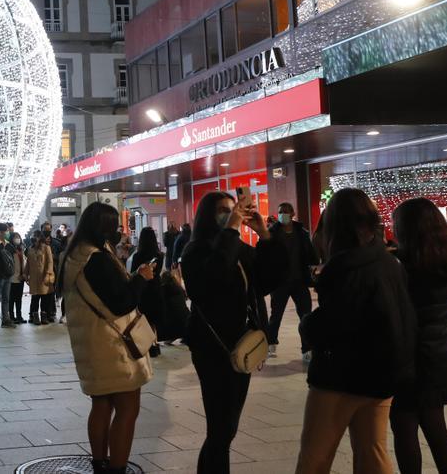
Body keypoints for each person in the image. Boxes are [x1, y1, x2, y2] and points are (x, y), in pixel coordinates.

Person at [295, 188, 416, 474]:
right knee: (373, 453)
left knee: (315, 457)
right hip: (382, 377)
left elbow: (334, 322)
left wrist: (306, 325)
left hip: (341, 379)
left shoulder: (346, 268)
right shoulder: (388, 262)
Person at [182, 192, 288, 473]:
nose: (230, 214)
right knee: (221, 427)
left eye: (232, 210)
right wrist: (230, 228)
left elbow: (269, 279)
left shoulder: (238, 248)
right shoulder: (195, 251)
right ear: (208, 215)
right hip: (211, 346)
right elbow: (213, 278)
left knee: (226, 429)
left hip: (241, 343)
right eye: (222, 211)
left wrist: (264, 234)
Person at [58, 203, 154, 474]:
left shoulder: (74, 255)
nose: (117, 231)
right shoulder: (97, 258)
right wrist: (141, 278)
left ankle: (99, 463)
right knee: (127, 409)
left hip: (91, 343)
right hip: (113, 346)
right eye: (112, 226)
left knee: (101, 403)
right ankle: (117, 468)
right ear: (103, 228)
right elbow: (121, 302)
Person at [389, 198, 447, 474]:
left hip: (409, 359)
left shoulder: (402, 267)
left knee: (404, 426)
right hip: (441, 357)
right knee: (436, 426)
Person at [264, 203, 319, 362]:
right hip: (280, 282)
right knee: (276, 315)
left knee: (305, 316)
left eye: (286, 212)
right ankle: (271, 343)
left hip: (299, 281)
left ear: (293, 213)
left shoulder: (301, 233)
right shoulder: (272, 233)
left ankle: (307, 349)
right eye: (281, 212)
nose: (283, 214)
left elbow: (310, 254)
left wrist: (314, 265)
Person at [126, 227, 164, 358]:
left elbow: (133, 273)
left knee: (144, 317)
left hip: (143, 289)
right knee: (153, 318)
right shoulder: (159, 255)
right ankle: (155, 344)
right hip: (156, 287)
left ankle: (147, 345)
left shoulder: (137, 255)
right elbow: (158, 272)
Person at [26, 232, 55, 325]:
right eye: (33, 236)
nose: (35, 238)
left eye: (36, 236)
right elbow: (28, 263)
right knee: (35, 297)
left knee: (45, 297)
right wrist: (25, 274)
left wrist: (48, 273)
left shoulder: (46, 248)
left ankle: (44, 316)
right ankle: (35, 316)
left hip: (44, 277)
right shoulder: (30, 249)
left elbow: (50, 262)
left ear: (40, 238)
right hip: (34, 278)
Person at [8, 232, 27, 324]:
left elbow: (24, 263)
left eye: (18, 237)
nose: (17, 239)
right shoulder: (9, 250)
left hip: (21, 278)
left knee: (19, 298)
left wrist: (24, 274)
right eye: (15, 237)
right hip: (12, 278)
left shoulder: (21, 249)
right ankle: (11, 317)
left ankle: (19, 316)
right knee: (11, 299)